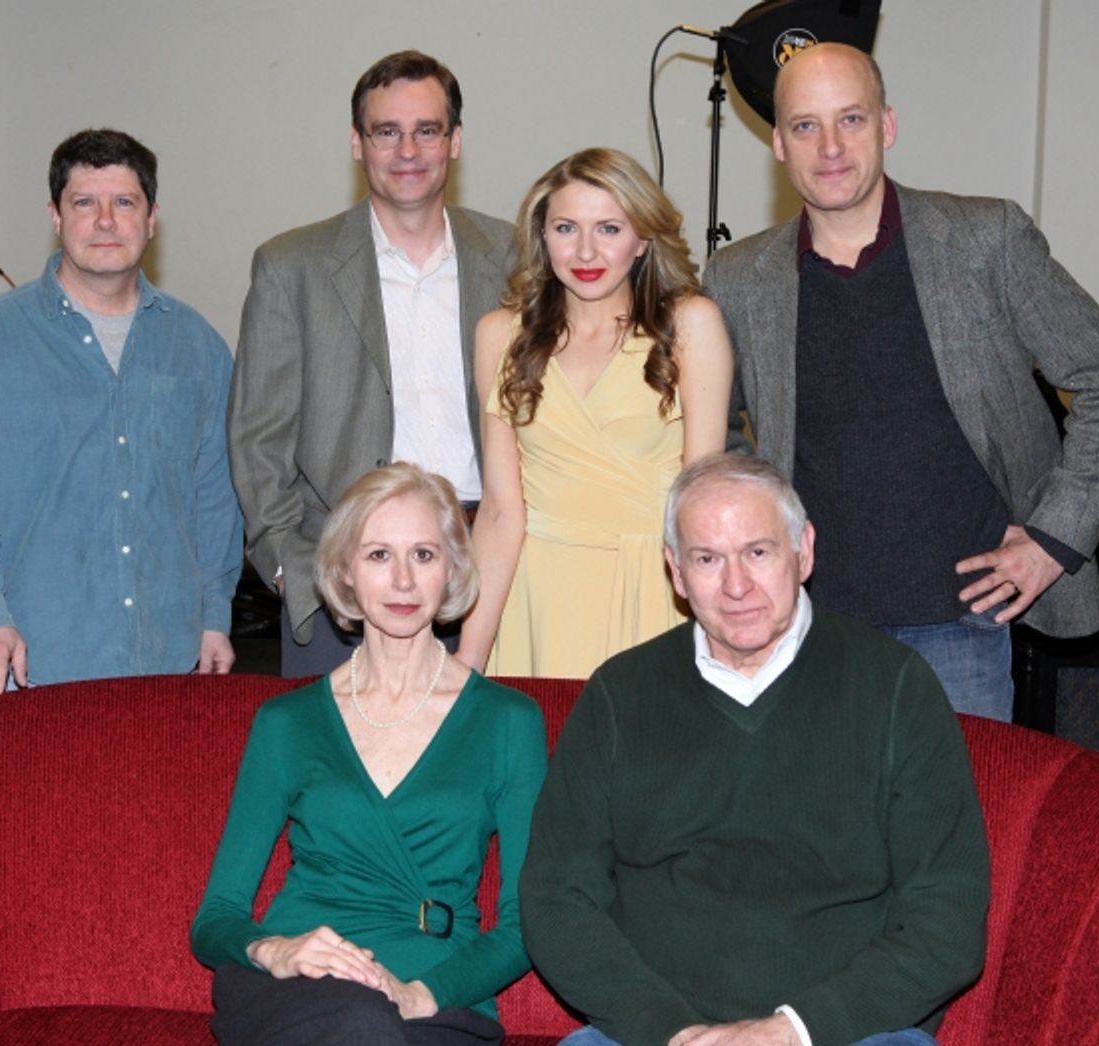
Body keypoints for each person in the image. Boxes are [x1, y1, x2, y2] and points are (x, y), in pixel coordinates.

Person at [519, 453, 989, 1046]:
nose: (736, 585)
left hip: (846, 1033)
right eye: (707, 559)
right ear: (676, 571)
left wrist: (792, 1030)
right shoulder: (620, 693)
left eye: (758, 552)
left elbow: (948, 919)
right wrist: (670, 1030)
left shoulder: (895, 686)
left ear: (804, 551)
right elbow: (556, 899)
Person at [701, 42, 1099, 722]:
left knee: (960, 796)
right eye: (805, 125)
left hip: (963, 627)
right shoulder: (738, 279)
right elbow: (718, 439)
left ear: (887, 125)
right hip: (805, 629)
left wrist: (1051, 540)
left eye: (850, 119)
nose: (830, 146)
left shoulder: (985, 241)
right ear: (778, 144)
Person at [191, 462, 547, 1045]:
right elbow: (216, 917)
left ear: (453, 570)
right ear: (344, 572)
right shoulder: (287, 723)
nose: (403, 580)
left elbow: (527, 922)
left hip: (437, 997)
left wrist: (420, 994)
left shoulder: (509, 722)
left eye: (424, 555)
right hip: (299, 991)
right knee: (361, 1023)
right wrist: (276, 950)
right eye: (379, 555)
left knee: (374, 1027)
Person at [0, 128, 242, 701]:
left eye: (124, 202)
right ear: (56, 217)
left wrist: (214, 613)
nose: (105, 220)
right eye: (85, 202)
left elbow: (214, 495)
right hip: (31, 665)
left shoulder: (197, 346)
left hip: (170, 659)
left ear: (152, 219)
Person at [228, 50, 513, 678]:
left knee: (489, 743)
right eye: (387, 132)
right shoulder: (291, 266)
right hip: (344, 580)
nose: (407, 150)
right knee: (338, 747)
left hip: (488, 570)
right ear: (357, 144)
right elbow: (257, 440)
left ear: (455, 141)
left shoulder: (515, 256)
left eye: (427, 130)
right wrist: (292, 570)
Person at [459, 148, 733, 678]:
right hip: (537, 595)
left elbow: (703, 501)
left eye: (609, 228)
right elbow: (499, 512)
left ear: (643, 238)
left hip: (654, 589)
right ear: (542, 236)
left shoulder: (690, 325)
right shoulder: (499, 335)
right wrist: (468, 659)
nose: (586, 250)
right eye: (566, 228)